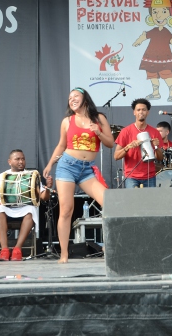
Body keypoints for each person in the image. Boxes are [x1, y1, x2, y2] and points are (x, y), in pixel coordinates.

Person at [43, 87, 114, 263]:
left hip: (87, 170)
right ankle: (64, 253)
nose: (72, 99)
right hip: (67, 166)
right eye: (69, 98)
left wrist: (98, 132)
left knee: (109, 203)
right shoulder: (67, 121)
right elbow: (61, 145)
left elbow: (110, 143)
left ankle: (109, 245)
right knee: (66, 210)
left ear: (85, 99)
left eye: (76, 96)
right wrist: (50, 163)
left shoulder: (99, 118)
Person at [0, 149, 52, 261]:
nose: (21, 161)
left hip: (25, 208)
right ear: (9, 161)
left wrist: (48, 187)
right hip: (7, 208)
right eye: (17, 159)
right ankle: (5, 249)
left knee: (31, 209)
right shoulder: (1, 177)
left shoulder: (31, 176)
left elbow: (44, 197)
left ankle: (17, 249)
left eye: (23, 159)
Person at [115, 99, 164, 188]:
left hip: (150, 176)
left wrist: (156, 146)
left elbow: (160, 158)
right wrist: (128, 146)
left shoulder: (154, 132)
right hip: (131, 176)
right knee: (132, 202)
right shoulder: (125, 131)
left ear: (148, 112)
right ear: (134, 112)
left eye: (144, 110)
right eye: (138, 110)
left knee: (150, 202)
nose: (141, 112)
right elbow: (116, 156)